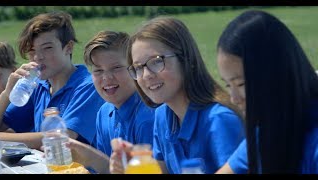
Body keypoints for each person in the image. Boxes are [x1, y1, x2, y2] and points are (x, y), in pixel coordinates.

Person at [110, 16, 245, 174]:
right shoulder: (162, 116)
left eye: (156, 61)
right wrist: (135, 162)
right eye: (138, 67)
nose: (146, 75)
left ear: (185, 59)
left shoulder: (220, 120)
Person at [215, 10, 318, 174]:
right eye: (228, 85)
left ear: (276, 75)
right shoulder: (266, 127)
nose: (233, 99)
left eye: (241, 84)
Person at [0, 11, 104, 150]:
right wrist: (7, 94)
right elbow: (2, 125)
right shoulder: (37, 87)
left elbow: (61, 137)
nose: (37, 57)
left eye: (47, 48)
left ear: (68, 47)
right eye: (31, 50)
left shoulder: (88, 86)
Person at [65, 30, 156, 174]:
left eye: (116, 68)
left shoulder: (149, 117)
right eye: (98, 71)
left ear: (134, 69)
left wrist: (93, 159)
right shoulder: (104, 112)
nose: (106, 78)